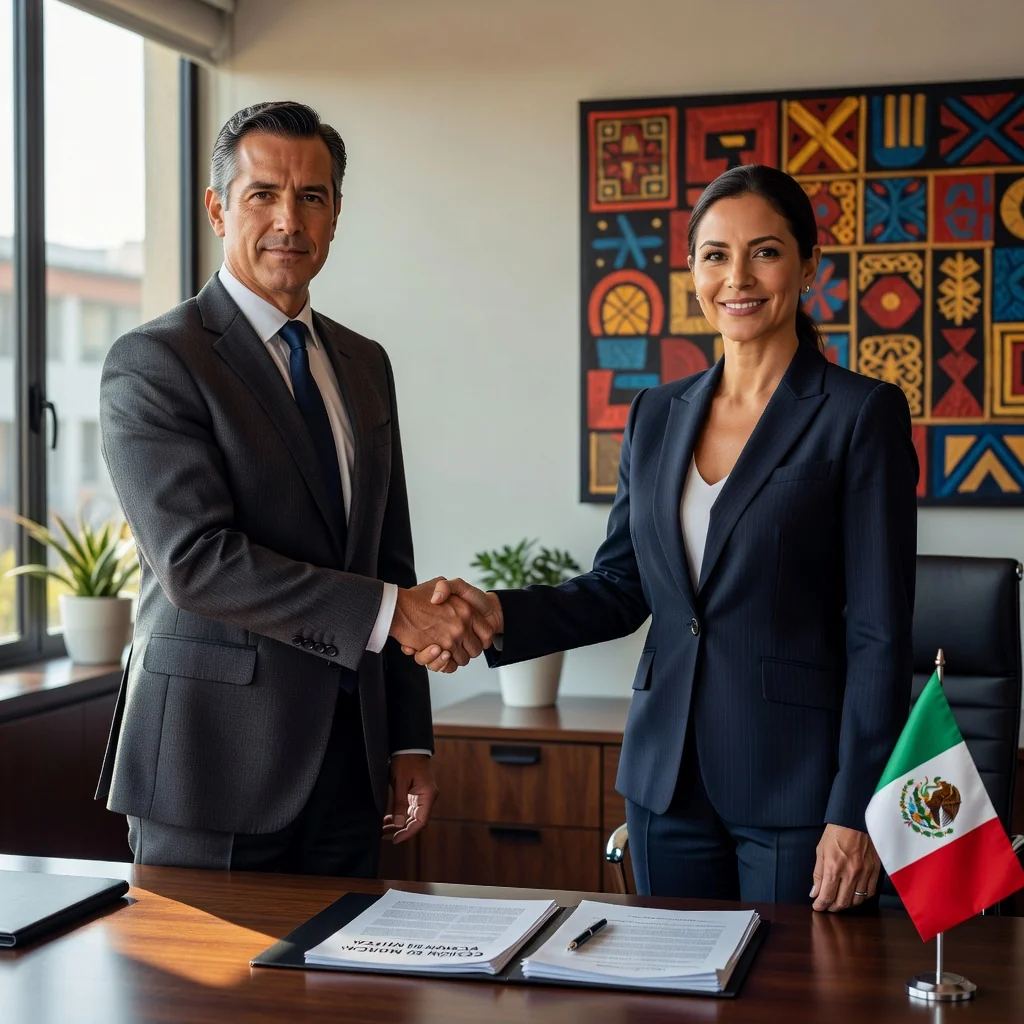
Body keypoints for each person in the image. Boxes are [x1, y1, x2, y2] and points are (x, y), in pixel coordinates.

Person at [410, 164, 918, 912]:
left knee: (788, 1000)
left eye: (765, 251)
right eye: (715, 254)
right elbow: (621, 588)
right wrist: (494, 615)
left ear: (809, 265)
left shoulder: (858, 414)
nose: (737, 277)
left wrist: (855, 810)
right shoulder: (656, 414)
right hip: (663, 783)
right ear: (691, 270)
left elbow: (879, 635)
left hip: (795, 789)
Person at [96, 101, 493, 873]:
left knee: (349, 992)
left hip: (350, 769)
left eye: (312, 196)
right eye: (263, 194)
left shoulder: (364, 363)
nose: (290, 218)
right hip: (210, 764)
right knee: (205, 997)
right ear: (218, 208)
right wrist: (391, 615)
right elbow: (197, 563)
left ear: (337, 213)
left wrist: (409, 735)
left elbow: (390, 557)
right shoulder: (155, 362)